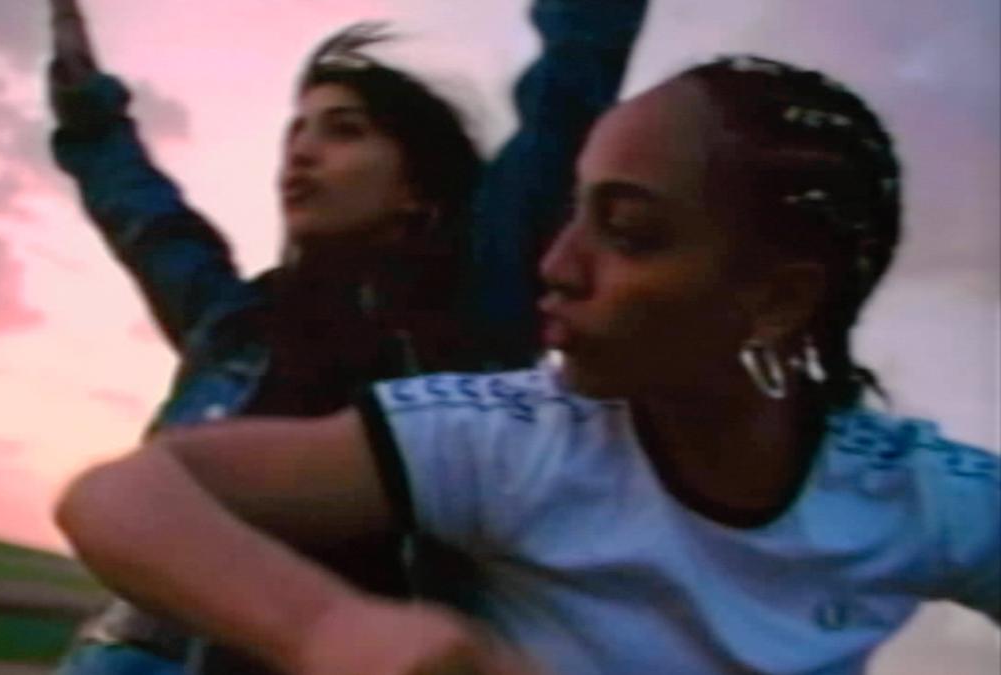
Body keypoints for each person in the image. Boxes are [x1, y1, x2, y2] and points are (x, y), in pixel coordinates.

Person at [56, 55, 1001, 674]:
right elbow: (125, 486)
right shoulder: (485, 423)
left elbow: (569, 80)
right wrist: (328, 624)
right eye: (295, 129)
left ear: (781, 298)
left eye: (627, 231)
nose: (561, 264)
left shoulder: (916, 491)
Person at [46, 0, 649, 672]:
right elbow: (145, 214)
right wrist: (85, 105)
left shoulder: (475, 311)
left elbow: (568, 95)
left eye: (344, 130)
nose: (301, 152)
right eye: (296, 132)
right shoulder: (235, 319)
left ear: (416, 187)